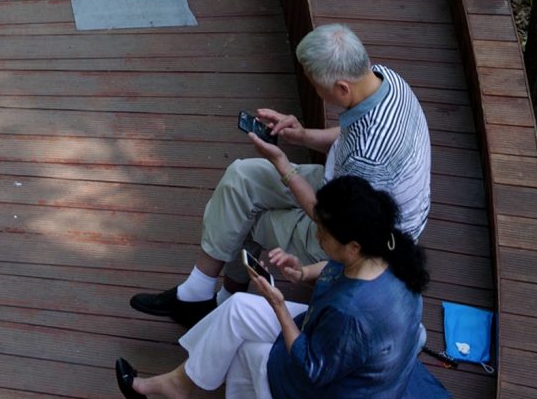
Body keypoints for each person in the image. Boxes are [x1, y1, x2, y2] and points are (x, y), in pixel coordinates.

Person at [115, 175, 449, 399]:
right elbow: (337, 268)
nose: (317, 237)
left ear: (353, 245)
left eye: (323, 232)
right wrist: (302, 271)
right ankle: (179, 383)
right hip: (331, 340)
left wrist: (277, 304)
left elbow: (309, 367)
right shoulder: (383, 248)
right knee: (240, 308)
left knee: (250, 355)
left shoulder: (354, 314)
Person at [131, 23, 431, 328]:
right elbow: (349, 133)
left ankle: (221, 302)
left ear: (342, 88)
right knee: (242, 176)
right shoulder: (384, 79)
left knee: (248, 218)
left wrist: (283, 165)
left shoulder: (369, 156)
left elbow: (331, 218)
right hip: (347, 188)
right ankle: (196, 292)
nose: (316, 90)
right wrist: (301, 136)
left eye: (316, 85)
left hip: (361, 236)